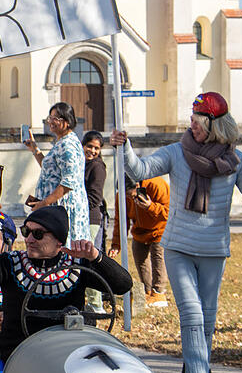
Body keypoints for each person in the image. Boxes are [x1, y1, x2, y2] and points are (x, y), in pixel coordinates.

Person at [110, 91, 242, 373]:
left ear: (214, 125)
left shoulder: (235, 161)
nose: (192, 128)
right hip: (179, 246)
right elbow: (140, 170)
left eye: (197, 123)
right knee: (192, 313)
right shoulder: (176, 152)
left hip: (214, 249)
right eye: (191, 122)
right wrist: (123, 147)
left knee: (207, 317)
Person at [0, 199, 133, 373]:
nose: (29, 239)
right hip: (22, 357)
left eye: (38, 234)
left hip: (68, 355)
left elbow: (123, 285)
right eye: (26, 231)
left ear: (59, 240)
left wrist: (96, 256)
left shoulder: (77, 265)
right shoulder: (10, 263)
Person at [24, 102, 90, 244]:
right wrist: (34, 148)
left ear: (67, 122)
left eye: (56, 119)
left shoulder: (68, 145)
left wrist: (44, 203)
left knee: (64, 249)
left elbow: (69, 181)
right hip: (56, 207)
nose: (51, 122)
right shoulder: (61, 142)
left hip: (64, 208)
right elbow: (50, 170)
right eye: (50, 118)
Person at [109, 176, 171, 308]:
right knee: (140, 259)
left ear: (137, 186)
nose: (127, 197)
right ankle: (147, 292)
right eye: (123, 194)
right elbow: (121, 220)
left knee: (158, 258)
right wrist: (116, 244)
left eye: (128, 194)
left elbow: (168, 212)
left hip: (159, 229)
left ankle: (159, 292)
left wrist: (150, 206)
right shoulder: (122, 196)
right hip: (139, 231)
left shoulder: (156, 184)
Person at [82, 130, 108, 314]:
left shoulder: (97, 167)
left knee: (88, 259)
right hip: (81, 217)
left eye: (96, 148)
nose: (92, 150)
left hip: (89, 218)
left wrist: (76, 208)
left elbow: (95, 198)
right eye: (89, 146)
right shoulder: (81, 164)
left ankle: (96, 304)